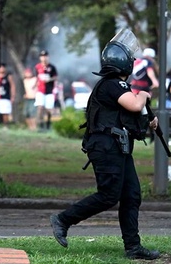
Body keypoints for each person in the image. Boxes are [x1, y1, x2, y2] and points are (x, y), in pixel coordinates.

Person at [49, 29, 160, 261]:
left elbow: (128, 116)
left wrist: (148, 120)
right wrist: (144, 95)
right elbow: (132, 103)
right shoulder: (112, 84)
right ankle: (63, 219)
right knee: (109, 195)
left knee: (131, 195)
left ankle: (133, 247)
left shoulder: (115, 87)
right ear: (125, 64)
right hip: (107, 147)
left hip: (118, 147)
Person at [34, 50, 58, 131]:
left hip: (49, 91)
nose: (44, 58)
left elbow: (56, 77)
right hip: (40, 91)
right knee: (40, 107)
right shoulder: (37, 67)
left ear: (48, 57)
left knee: (48, 109)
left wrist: (49, 79)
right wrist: (34, 85)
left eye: (45, 56)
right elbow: (36, 77)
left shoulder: (52, 67)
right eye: (42, 56)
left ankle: (48, 124)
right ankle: (40, 125)